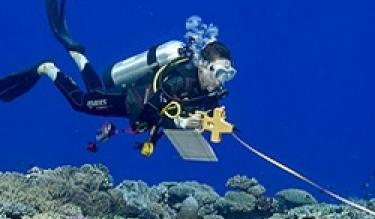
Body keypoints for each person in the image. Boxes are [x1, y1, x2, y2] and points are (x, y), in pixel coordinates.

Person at [0, 0, 237, 156]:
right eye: (219, 72)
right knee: (82, 102)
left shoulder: (211, 94)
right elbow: (153, 111)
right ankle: (48, 68)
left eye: (228, 74)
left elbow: (179, 116)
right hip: (130, 101)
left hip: (134, 108)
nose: (222, 80)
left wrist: (156, 140)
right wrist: (182, 123)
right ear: (203, 65)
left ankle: (77, 54)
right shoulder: (178, 80)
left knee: (97, 92)